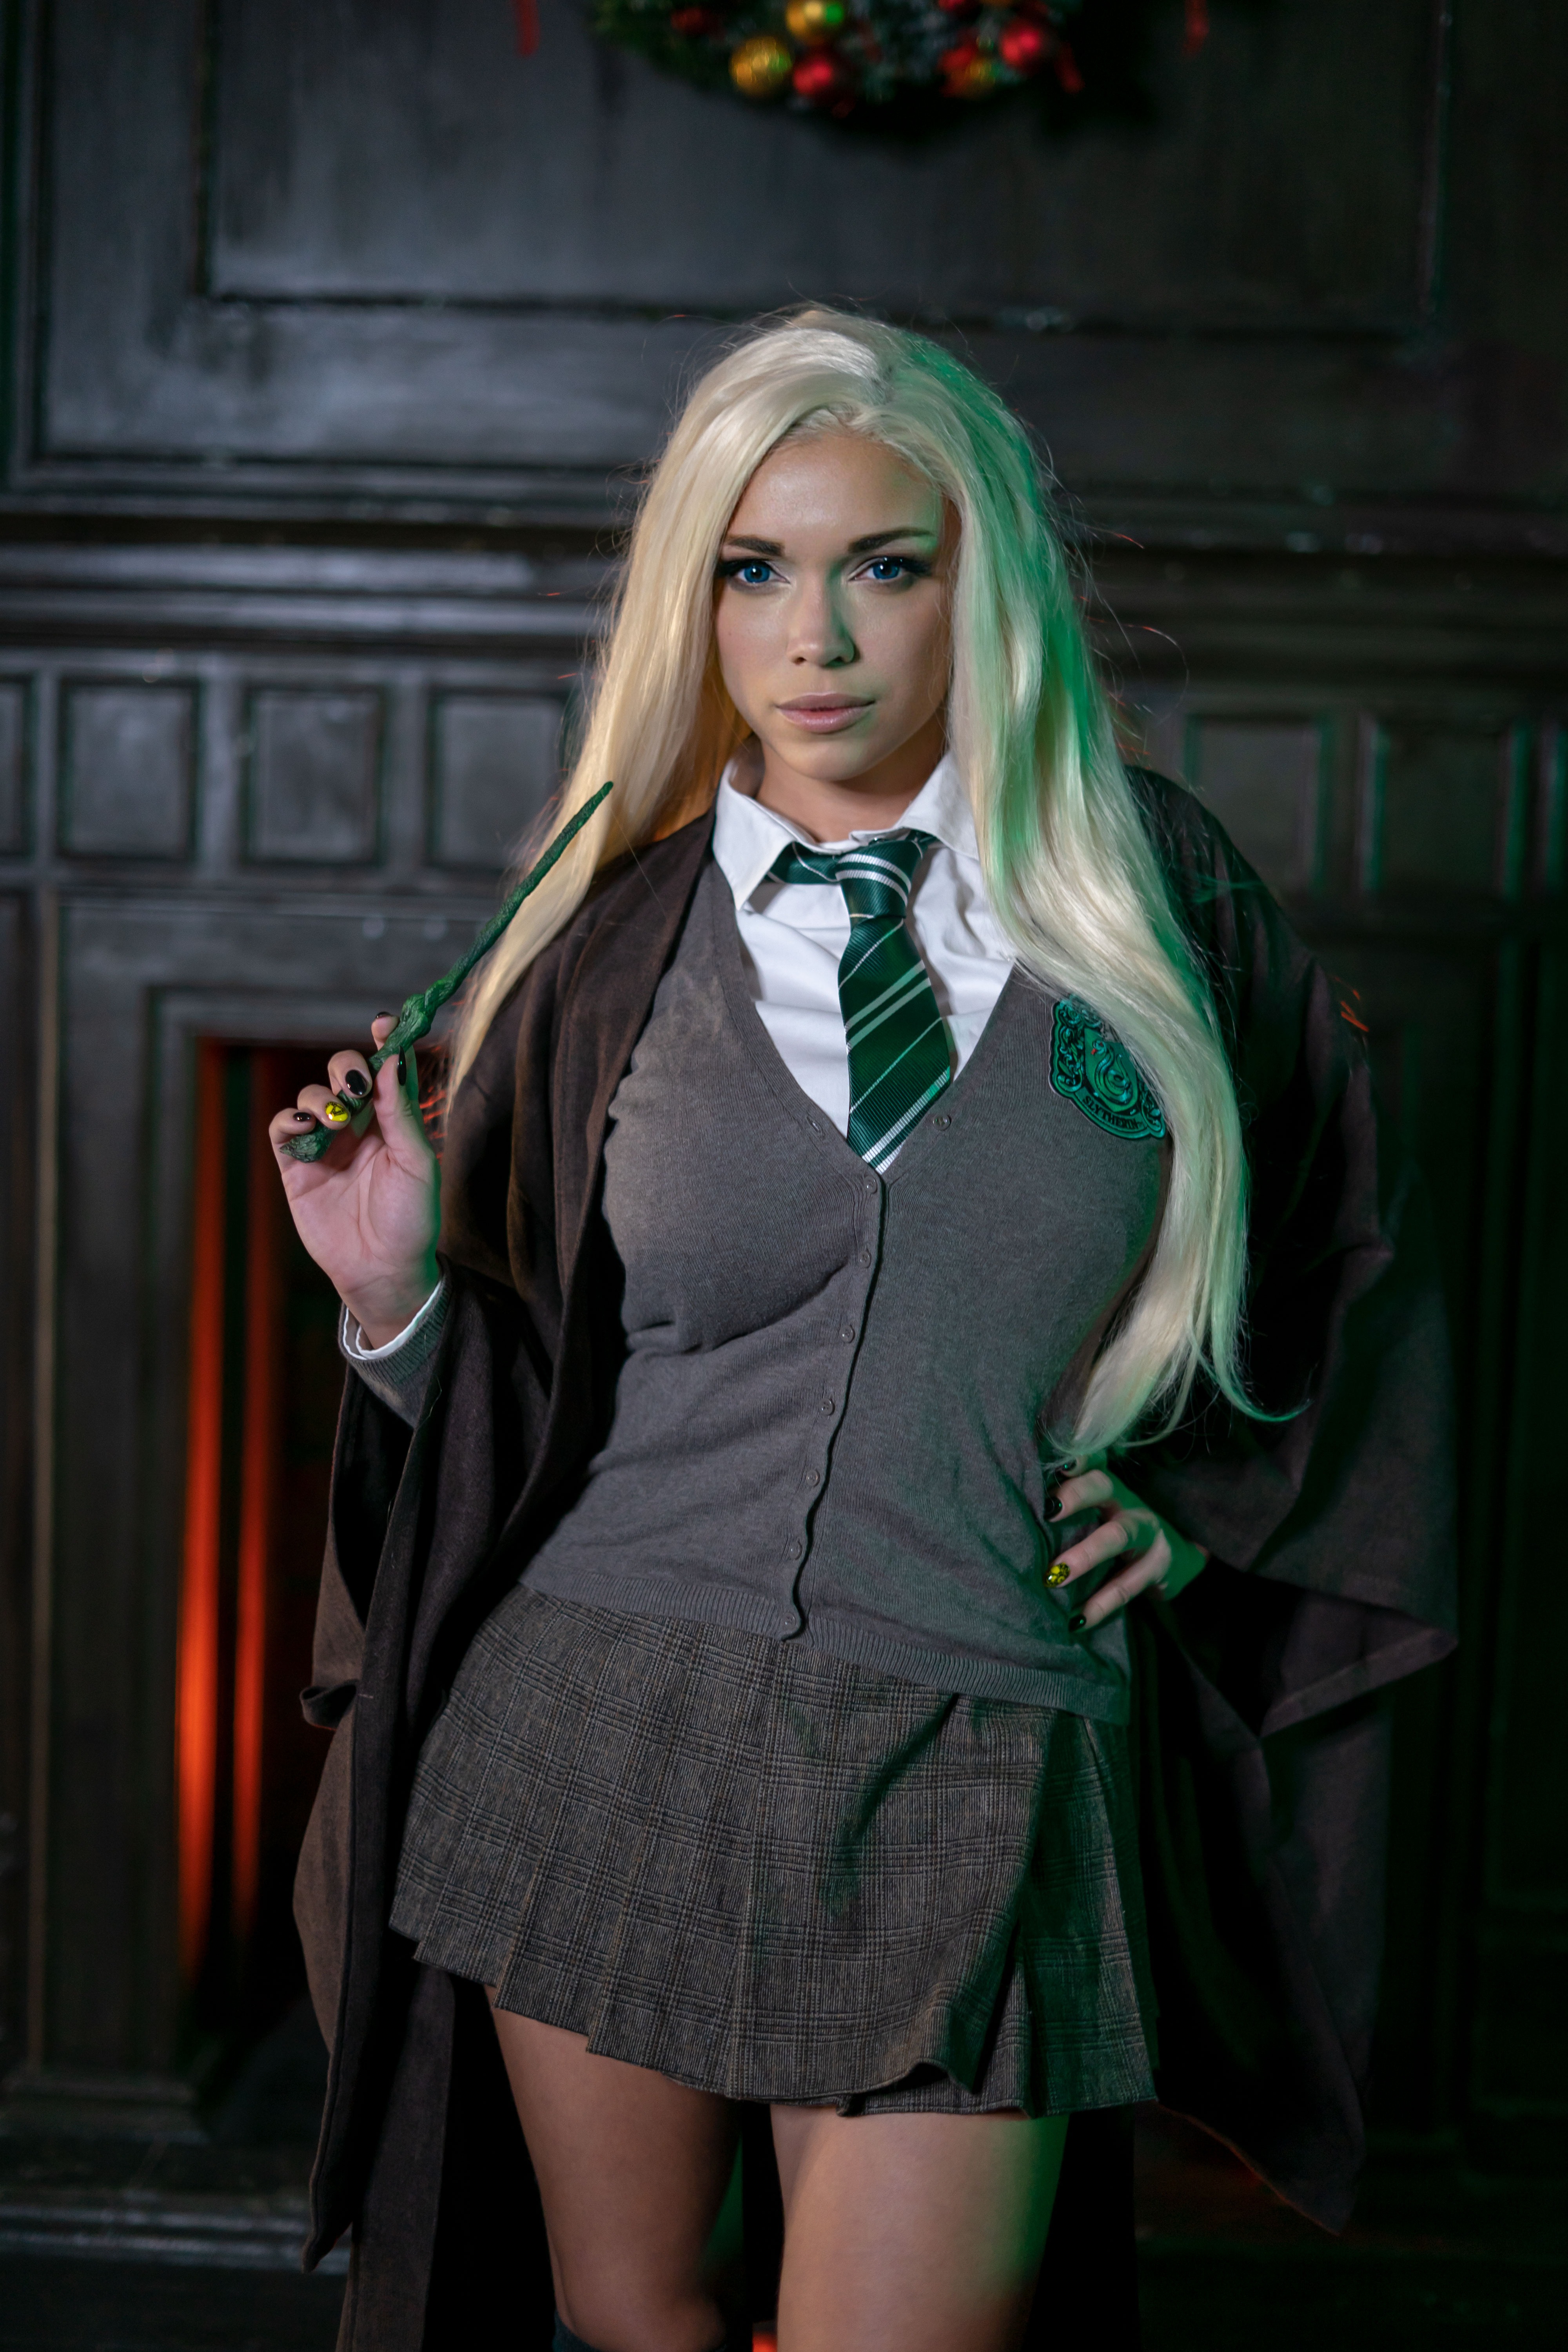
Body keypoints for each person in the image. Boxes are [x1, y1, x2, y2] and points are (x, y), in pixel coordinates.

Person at [272, 312, 1455, 2352]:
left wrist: (1204, 1506)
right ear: (698, 598)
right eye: (755, 569)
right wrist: (395, 1301)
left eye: (882, 565)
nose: (813, 637)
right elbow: (519, 1424)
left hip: (977, 1744)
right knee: (644, 2327)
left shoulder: (1155, 901)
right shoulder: (602, 938)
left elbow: (1354, 1264)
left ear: (978, 582)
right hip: (593, 1730)